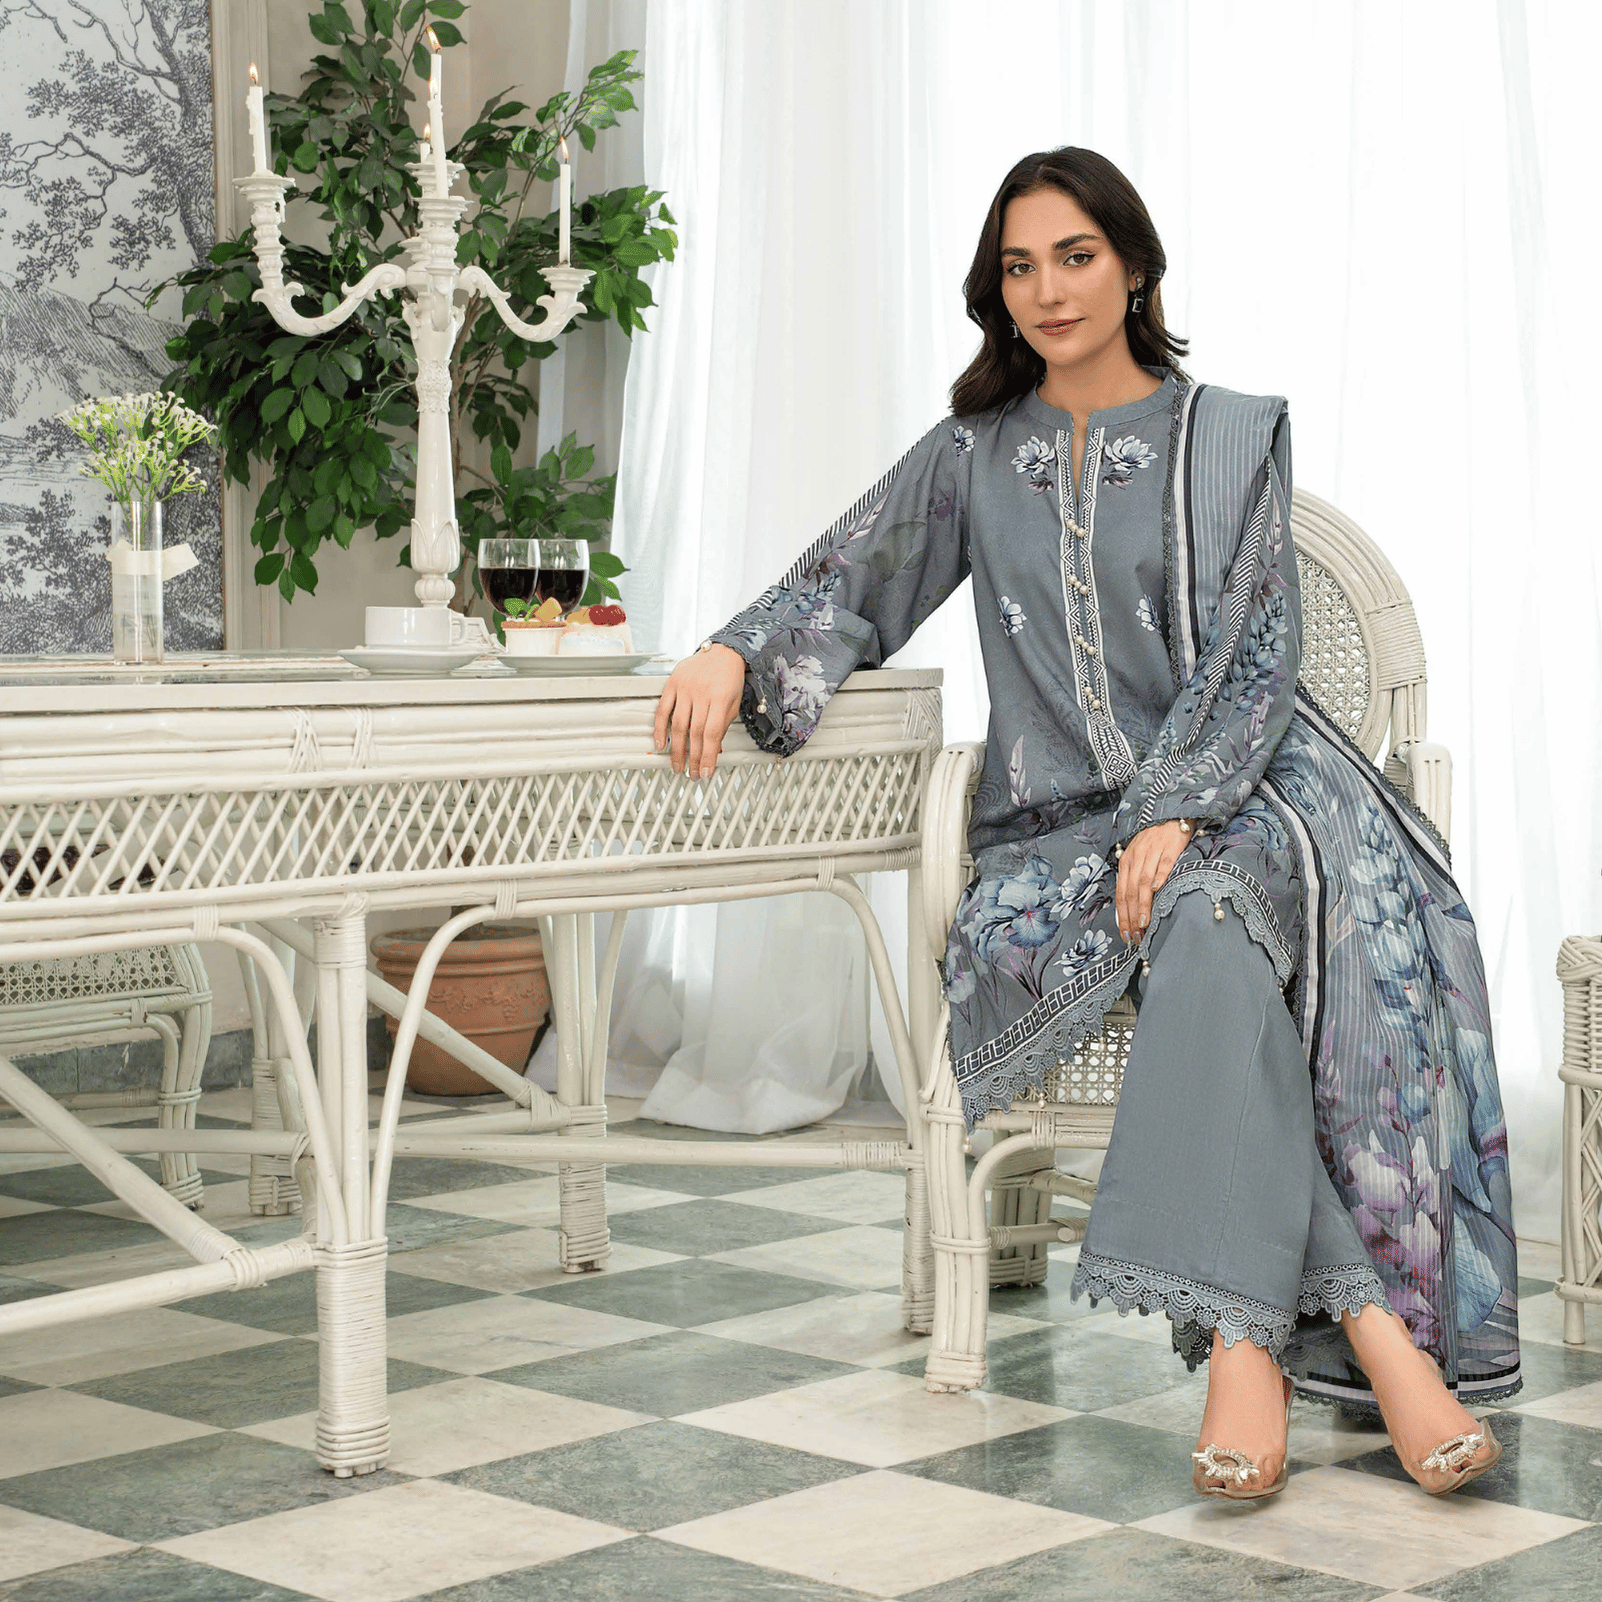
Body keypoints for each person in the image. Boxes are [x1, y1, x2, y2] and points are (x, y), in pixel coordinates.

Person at [651, 146, 1519, 1500]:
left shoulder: (1228, 434)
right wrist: (730, 651)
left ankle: (1244, 1347)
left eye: (1073, 255)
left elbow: (1253, 650)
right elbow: (850, 577)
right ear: (992, 292)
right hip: (1048, 830)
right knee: (1198, 931)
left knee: (1210, 906)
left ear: (1131, 265)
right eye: (1017, 264)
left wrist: (1174, 806)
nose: (1047, 288)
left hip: (1253, 786)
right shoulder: (971, 456)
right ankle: (1361, 1329)